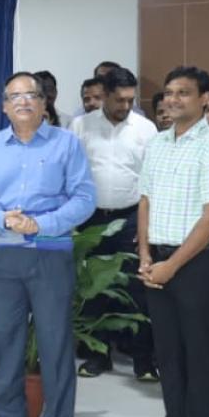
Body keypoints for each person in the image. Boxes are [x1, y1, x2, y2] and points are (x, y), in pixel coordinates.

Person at [0, 71, 96, 417]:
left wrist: (41, 223)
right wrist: (3, 219)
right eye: (14, 96)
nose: (22, 101)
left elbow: (84, 198)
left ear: (43, 103)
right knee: (5, 341)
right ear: (4, 105)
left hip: (50, 253)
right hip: (2, 254)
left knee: (54, 341)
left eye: (30, 95)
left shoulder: (66, 145)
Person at [128, 67, 209, 417]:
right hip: (158, 260)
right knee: (168, 354)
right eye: (169, 93)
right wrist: (144, 254)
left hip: (199, 263)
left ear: (204, 99)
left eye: (183, 93)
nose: (173, 100)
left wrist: (172, 265)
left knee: (198, 354)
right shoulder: (157, 143)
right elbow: (145, 201)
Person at [73, 67, 157, 380]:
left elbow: (152, 181)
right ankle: (98, 356)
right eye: (119, 99)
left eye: (129, 100)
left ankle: (143, 361)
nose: (125, 106)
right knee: (94, 289)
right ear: (105, 95)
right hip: (91, 218)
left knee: (137, 289)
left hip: (132, 216)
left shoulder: (145, 129)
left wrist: (146, 227)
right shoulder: (81, 126)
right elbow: (72, 174)